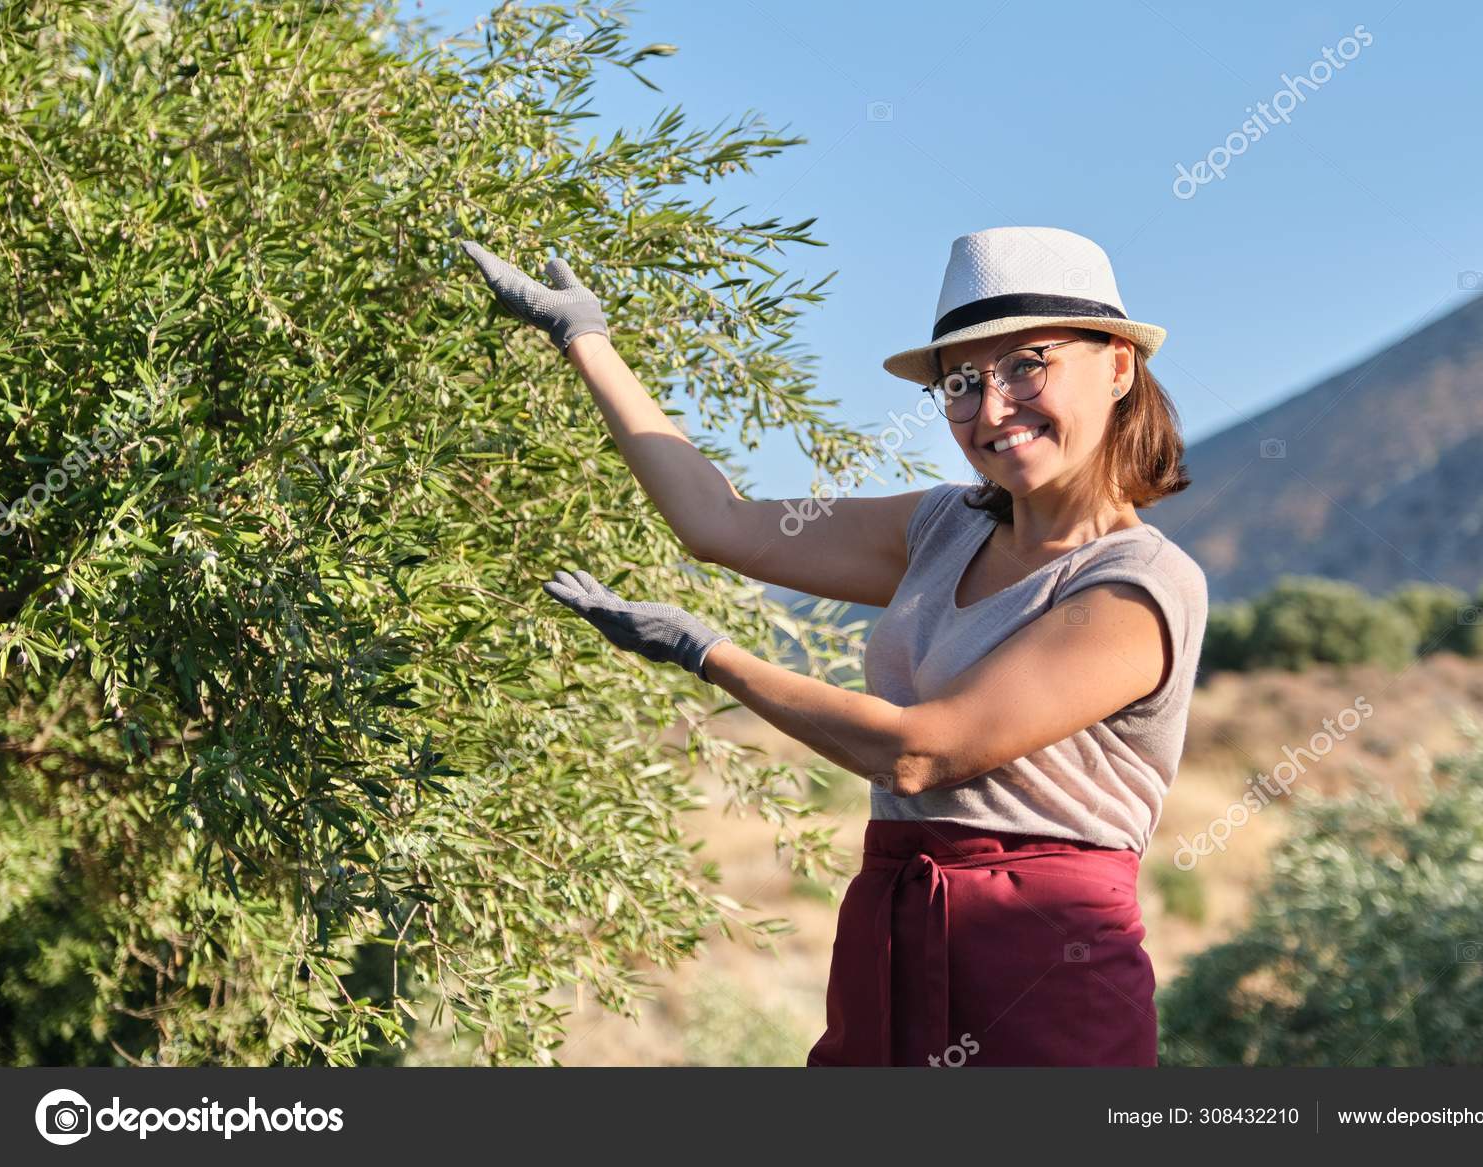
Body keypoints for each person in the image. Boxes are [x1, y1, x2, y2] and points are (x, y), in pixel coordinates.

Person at [460, 225, 1208, 1066]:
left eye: (1028, 363)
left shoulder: (1140, 582)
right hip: (893, 928)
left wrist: (710, 655)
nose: (992, 407)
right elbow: (723, 522)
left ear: (1117, 366)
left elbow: (926, 752)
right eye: (963, 381)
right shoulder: (941, 527)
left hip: (1041, 970)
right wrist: (585, 338)